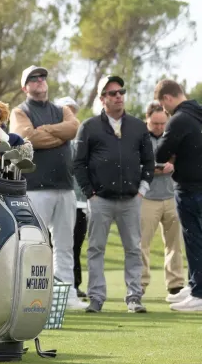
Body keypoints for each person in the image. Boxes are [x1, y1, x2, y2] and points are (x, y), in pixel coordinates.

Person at [73, 75, 153, 314]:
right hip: (100, 201)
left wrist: (142, 191)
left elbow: (149, 162)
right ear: (102, 99)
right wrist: (90, 194)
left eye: (121, 91)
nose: (118, 96)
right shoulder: (89, 126)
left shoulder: (138, 126)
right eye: (112, 93)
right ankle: (96, 298)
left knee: (133, 249)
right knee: (96, 249)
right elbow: (79, 164)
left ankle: (134, 298)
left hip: (131, 200)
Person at [9, 66, 85, 310]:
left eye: (42, 77)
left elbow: (73, 128)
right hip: (34, 188)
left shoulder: (61, 109)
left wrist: (46, 132)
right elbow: (27, 138)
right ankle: (32, 297)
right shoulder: (20, 111)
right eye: (34, 78)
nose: (40, 81)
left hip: (65, 188)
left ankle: (67, 296)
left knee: (64, 246)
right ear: (25, 86)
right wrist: (58, 135)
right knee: (34, 246)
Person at [154, 79, 202, 311]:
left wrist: (171, 155)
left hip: (190, 188)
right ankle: (195, 286)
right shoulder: (198, 113)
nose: (164, 110)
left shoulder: (179, 120)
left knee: (194, 241)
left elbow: (161, 152)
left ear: (167, 99)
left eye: (163, 105)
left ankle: (199, 293)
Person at [140, 101, 185, 300]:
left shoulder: (173, 135)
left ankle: (175, 285)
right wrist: (158, 168)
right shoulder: (140, 139)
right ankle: (139, 284)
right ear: (147, 120)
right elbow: (139, 165)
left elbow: (180, 159)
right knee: (142, 244)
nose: (159, 127)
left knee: (174, 243)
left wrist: (170, 165)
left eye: (162, 123)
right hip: (147, 198)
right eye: (155, 123)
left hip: (172, 196)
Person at [55, 96, 88, 299]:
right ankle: (56, 287)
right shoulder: (53, 142)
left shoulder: (80, 141)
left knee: (74, 247)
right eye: (66, 110)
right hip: (57, 200)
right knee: (57, 247)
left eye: (72, 110)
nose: (70, 114)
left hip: (80, 203)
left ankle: (74, 286)